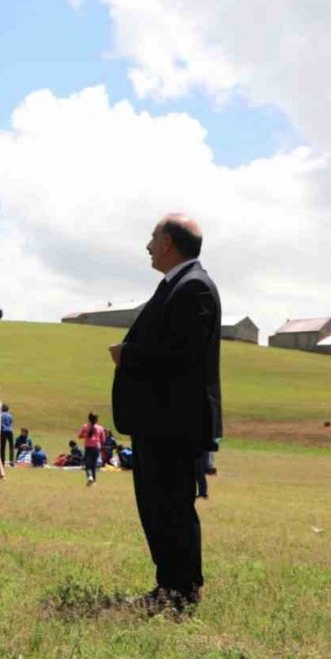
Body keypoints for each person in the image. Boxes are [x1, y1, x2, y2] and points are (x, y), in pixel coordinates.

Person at [110, 213, 222, 612]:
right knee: (158, 506)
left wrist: (130, 354)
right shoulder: (177, 286)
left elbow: (182, 353)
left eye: (153, 238)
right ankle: (169, 586)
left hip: (175, 422)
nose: (148, 246)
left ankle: (181, 591)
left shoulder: (194, 288)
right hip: (160, 420)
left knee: (171, 507)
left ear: (170, 243)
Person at [78, 412, 107, 486]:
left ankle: (90, 477)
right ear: (96, 419)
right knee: (93, 465)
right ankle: (94, 481)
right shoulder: (100, 428)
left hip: (88, 447)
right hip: (96, 447)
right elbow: (103, 440)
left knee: (87, 464)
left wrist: (86, 436)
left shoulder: (85, 426)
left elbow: (79, 436)